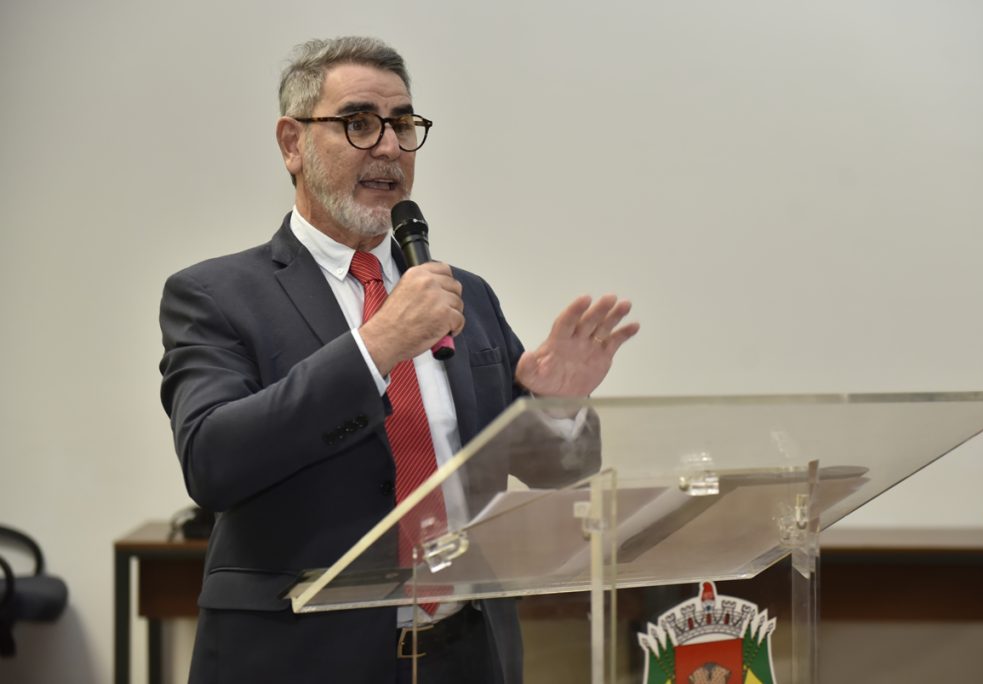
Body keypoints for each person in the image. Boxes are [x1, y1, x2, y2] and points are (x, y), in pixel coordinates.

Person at [158, 36, 639, 684]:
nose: (388, 147)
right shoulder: (216, 295)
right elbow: (212, 461)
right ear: (292, 143)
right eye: (359, 123)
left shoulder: (461, 294)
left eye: (403, 125)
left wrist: (557, 407)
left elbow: (556, 470)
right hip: (302, 658)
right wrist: (377, 345)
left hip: (466, 653)